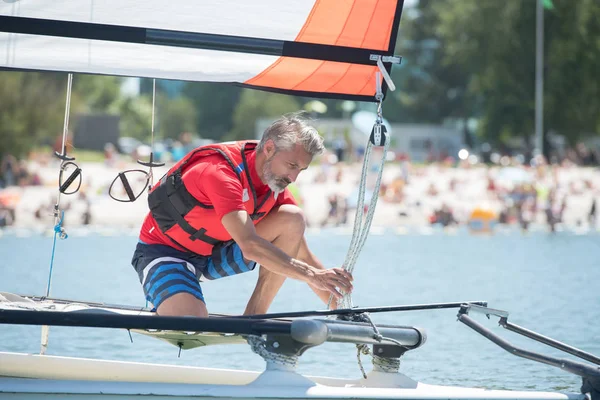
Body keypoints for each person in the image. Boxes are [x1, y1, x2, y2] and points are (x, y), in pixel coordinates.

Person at [131, 113, 353, 318]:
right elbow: (250, 245)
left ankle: (253, 319)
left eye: (300, 170)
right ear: (268, 148)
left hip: (214, 253)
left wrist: (343, 310)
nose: (293, 178)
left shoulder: (273, 181)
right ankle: (172, 296)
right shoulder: (220, 173)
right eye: (291, 165)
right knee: (192, 325)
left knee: (293, 218)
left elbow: (300, 252)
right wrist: (312, 275)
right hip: (166, 252)